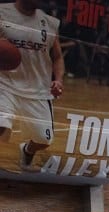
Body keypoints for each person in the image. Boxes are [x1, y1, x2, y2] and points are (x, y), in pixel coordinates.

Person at [0, 0, 65, 172]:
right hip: (5, 84)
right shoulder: (2, 13)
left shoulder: (49, 23)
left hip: (38, 90)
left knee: (43, 140)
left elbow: (57, 57)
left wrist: (58, 79)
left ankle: (27, 150)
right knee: (1, 125)